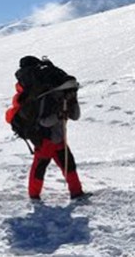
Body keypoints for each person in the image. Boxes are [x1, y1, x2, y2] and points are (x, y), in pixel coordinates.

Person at [26, 67, 89, 201]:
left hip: (59, 139)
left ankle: (76, 192)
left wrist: (73, 101)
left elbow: (75, 116)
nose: (72, 93)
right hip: (45, 140)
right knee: (40, 168)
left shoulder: (67, 98)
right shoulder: (48, 98)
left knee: (69, 165)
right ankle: (34, 196)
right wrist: (58, 115)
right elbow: (43, 122)